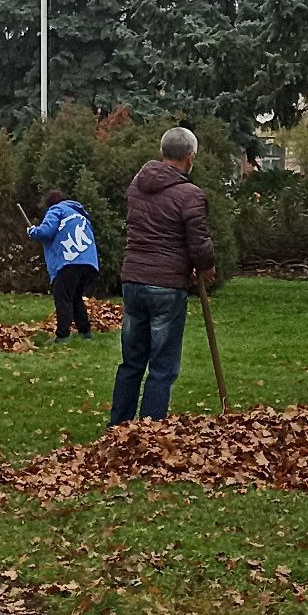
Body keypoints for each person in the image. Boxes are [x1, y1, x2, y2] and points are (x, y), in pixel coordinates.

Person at [109, 127, 216, 426]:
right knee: (162, 365)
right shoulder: (190, 194)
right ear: (190, 157)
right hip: (166, 285)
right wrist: (207, 266)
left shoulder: (137, 185)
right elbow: (199, 241)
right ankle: (149, 433)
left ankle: (117, 426)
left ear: (162, 153)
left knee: (132, 360)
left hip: (133, 280)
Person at [27, 189, 100, 343]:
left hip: (69, 260)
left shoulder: (56, 210)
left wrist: (33, 231)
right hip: (88, 263)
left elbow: (46, 232)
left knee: (63, 298)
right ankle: (85, 332)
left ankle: (63, 335)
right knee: (75, 297)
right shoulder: (80, 215)